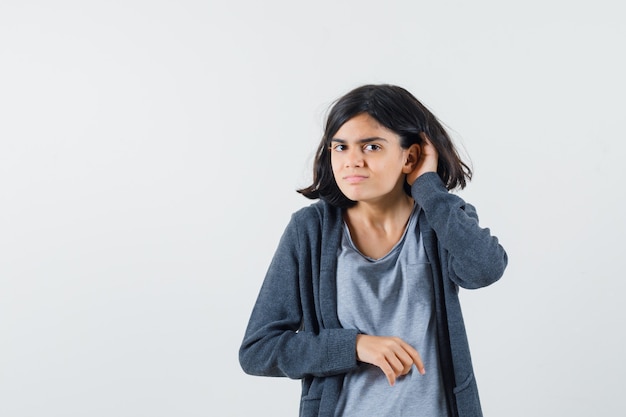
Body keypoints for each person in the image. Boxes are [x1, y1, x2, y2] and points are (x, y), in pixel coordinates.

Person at [239, 84, 508, 417]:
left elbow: (485, 269)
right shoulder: (310, 231)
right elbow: (258, 350)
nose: (352, 161)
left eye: (371, 146)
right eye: (340, 147)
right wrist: (353, 346)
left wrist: (429, 190)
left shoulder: (441, 220)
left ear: (410, 156)